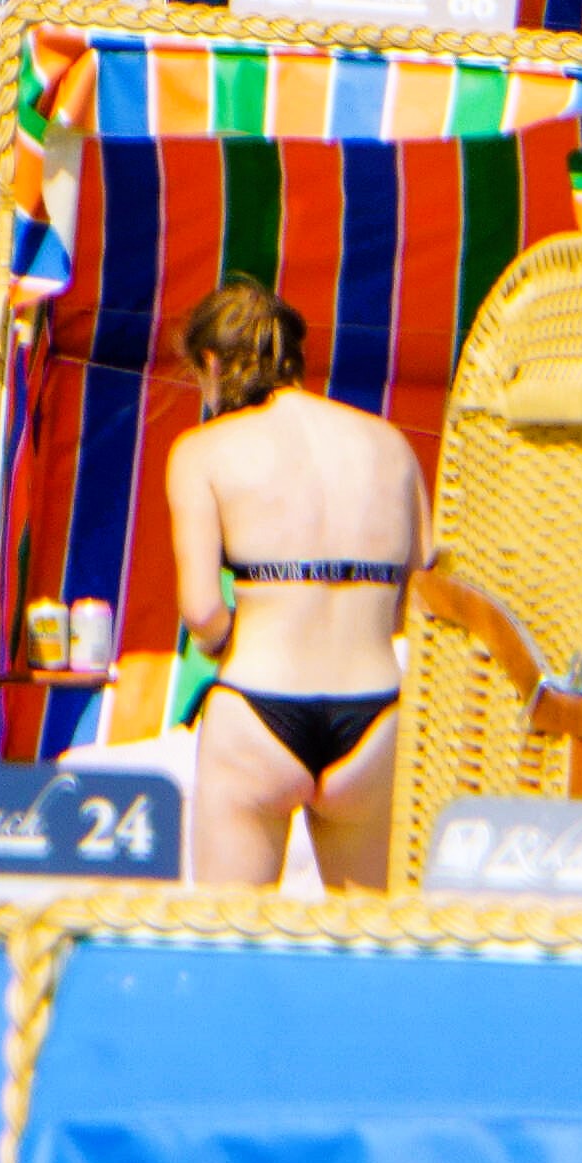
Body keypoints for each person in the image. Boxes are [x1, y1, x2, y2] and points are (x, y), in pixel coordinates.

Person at [160, 278, 428, 893]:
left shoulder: (202, 451)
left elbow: (201, 609)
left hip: (259, 703)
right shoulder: (391, 445)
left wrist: (229, 640)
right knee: (367, 953)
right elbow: (415, 598)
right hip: (375, 712)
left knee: (229, 942)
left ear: (212, 363)